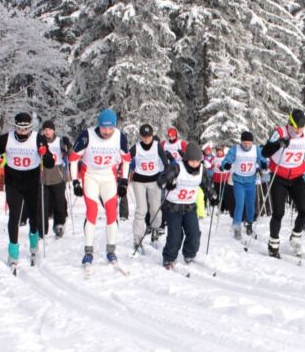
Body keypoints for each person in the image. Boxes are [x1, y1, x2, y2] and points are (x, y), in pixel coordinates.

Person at [0, 112, 55, 268]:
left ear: (31, 127)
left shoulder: (38, 139)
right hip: (13, 182)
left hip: (31, 181)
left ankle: (33, 244)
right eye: (20, 128)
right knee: (14, 216)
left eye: (26, 128)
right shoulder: (6, 139)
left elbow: (50, 163)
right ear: (15, 126)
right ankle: (13, 252)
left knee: (33, 215)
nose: (23, 131)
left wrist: (44, 154)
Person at [68, 109, 131, 266]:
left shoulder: (119, 137)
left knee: (111, 212)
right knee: (92, 212)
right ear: (99, 125)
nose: (107, 132)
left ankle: (111, 251)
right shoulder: (87, 135)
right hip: (90, 175)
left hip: (108, 176)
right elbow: (73, 159)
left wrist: (123, 181)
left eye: (110, 128)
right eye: (104, 128)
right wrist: (75, 181)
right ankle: (88, 251)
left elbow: (127, 160)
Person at [261, 109, 305, 258]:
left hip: (297, 177)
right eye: (295, 128)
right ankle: (273, 243)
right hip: (279, 176)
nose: (298, 131)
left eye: (301, 128)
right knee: (278, 212)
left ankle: (296, 236)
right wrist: (279, 144)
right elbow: (265, 152)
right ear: (289, 123)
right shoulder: (279, 132)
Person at [157, 142, 215, 269]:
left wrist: (212, 196)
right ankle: (168, 258)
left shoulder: (201, 170)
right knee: (175, 236)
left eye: (197, 161)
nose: (195, 164)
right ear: (186, 159)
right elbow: (161, 180)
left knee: (194, 233)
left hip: (189, 207)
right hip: (173, 207)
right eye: (192, 161)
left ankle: (189, 253)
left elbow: (207, 185)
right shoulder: (177, 168)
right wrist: (168, 184)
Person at [129, 123, 169, 252]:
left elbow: (165, 162)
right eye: (144, 136)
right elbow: (126, 159)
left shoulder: (157, 146)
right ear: (140, 136)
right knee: (142, 209)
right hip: (139, 181)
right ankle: (137, 239)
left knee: (155, 209)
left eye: (149, 136)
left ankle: (155, 235)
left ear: (152, 135)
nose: (146, 138)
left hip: (154, 181)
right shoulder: (136, 147)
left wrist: (167, 176)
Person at [222, 131, 267, 239]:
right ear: (241, 142)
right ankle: (237, 227)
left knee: (251, 204)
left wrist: (263, 164)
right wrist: (226, 165)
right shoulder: (235, 149)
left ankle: (249, 225)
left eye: (248, 143)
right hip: (238, 181)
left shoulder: (256, 149)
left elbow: (262, 159)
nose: (246, 145)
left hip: (250, 181)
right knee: (240, 203)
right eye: (244, 143)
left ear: (252, 142)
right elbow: (226, 160)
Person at [41, 120, 71, 237]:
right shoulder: (40, 141)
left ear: (53, 130)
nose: (47, 132)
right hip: (43, 175)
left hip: (57, 175)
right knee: (43, 203)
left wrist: (68, 146)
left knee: (59, 201)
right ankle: (42, 227)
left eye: (49, 129)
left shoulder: (59, 141)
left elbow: (70, 154)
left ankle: (59, 224)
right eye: (45, 129)